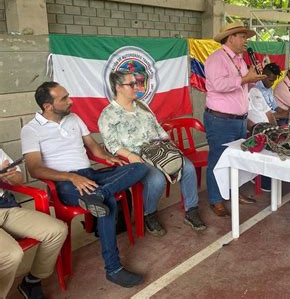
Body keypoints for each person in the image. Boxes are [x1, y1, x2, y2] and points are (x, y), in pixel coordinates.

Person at [21, 82, 150, 288]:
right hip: (65, 184)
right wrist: (72, 178)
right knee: (106, 205)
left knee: (140, 167)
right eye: (64, 99)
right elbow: (35, 169)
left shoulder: (73, 118)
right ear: (48, 106)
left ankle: (98, 194)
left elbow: (93, 148)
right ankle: (113, 268)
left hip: (91, 176)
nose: (70, 101)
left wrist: (109, 158)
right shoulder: (31, 130)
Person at [99, 70, 206, 234]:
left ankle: (191, 210)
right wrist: (129, 155)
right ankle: (149, 213)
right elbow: (111, 144)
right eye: (132, 84)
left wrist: (169, 142)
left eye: (137, 83)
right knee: (156, 180)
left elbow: (157, 127)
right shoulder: (108, 114)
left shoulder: (142, 105)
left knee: (188, 168)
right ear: (118, 87)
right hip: (136, 158)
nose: (137, 87)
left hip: (158, 150)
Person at [204, 21, 266, 217]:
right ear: (231, 38)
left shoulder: (240, 60)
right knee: (218, 158)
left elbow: (243, 86)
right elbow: (219, 85)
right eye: (243, 36)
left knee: (237, 158)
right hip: (220, 120)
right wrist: (245, 79)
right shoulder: (216, 59)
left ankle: (232, 191)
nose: (246, 41)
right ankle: (215, 199)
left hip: (239, 119)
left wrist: (254, 78)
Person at [0, 149, 67, 299]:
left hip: (5, 207)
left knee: (57, 230)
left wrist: (12, 175)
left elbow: (19, 180)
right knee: (11, 254)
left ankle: (31, 281)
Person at [247, 63, 288, 130]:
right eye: (271, 80)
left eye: (274, 81)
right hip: (261, 124)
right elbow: (259, 115)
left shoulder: (268, 89)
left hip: (271, 119)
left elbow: (274, 107)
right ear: (263, 75)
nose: (272, 84)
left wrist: (286, 112)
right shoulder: (256, 88)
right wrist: (281, 115)